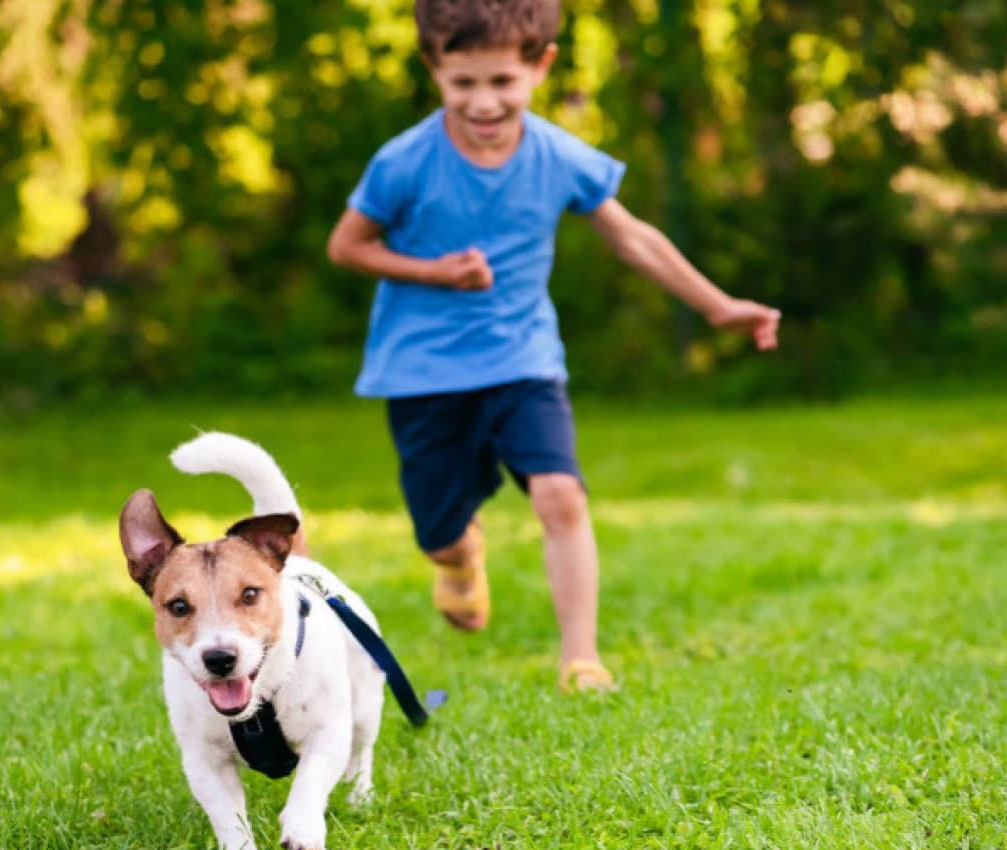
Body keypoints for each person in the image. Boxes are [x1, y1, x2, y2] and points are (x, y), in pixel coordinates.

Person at [326, 0, 780, 693]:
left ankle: (580, 658)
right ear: (434, 68)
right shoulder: (405, 162)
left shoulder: (556, 155)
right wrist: (434, 272)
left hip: (523, 360)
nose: (483, 102)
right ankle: (458, 556)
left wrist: (718, 306)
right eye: (464, 83)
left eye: (502, 82)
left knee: (561, 494)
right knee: (439, 532)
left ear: (540, 67)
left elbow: (632, 236)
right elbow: (347, 245)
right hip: (424, 372)